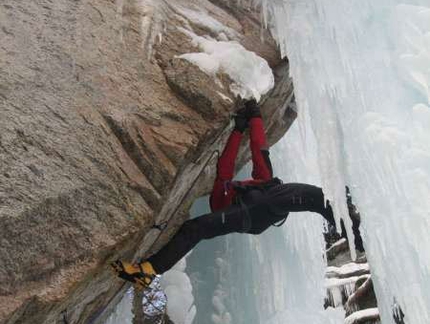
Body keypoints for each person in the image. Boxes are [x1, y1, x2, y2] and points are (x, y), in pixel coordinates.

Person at [112, 100, 363, 288]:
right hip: (253, 213)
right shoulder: (224, 198)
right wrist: (242, 127)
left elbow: (257, 151)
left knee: (314, 197)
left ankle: (351, 224)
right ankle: (147, 269)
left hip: (263, 209)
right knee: (195, 228)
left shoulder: (264, 182)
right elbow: (227, 169)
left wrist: (247, 124)